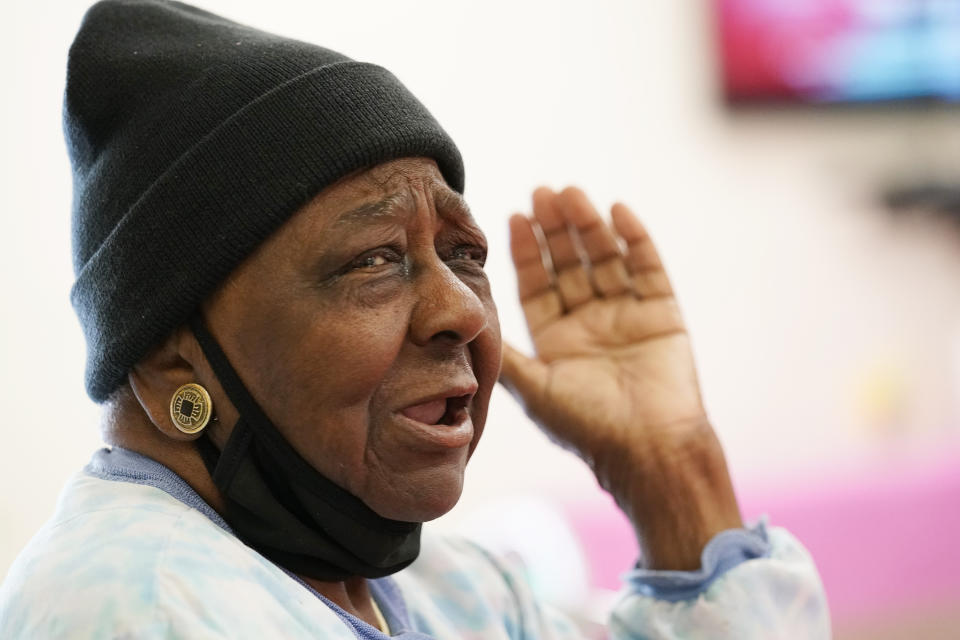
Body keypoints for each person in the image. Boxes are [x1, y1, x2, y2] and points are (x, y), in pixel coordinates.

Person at [0, 1, 830, 637]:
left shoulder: (458, 591)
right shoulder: (138, 606)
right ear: (168, 362)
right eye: (373, 260)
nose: (462, 310)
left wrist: (668, 468)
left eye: (464, 253)